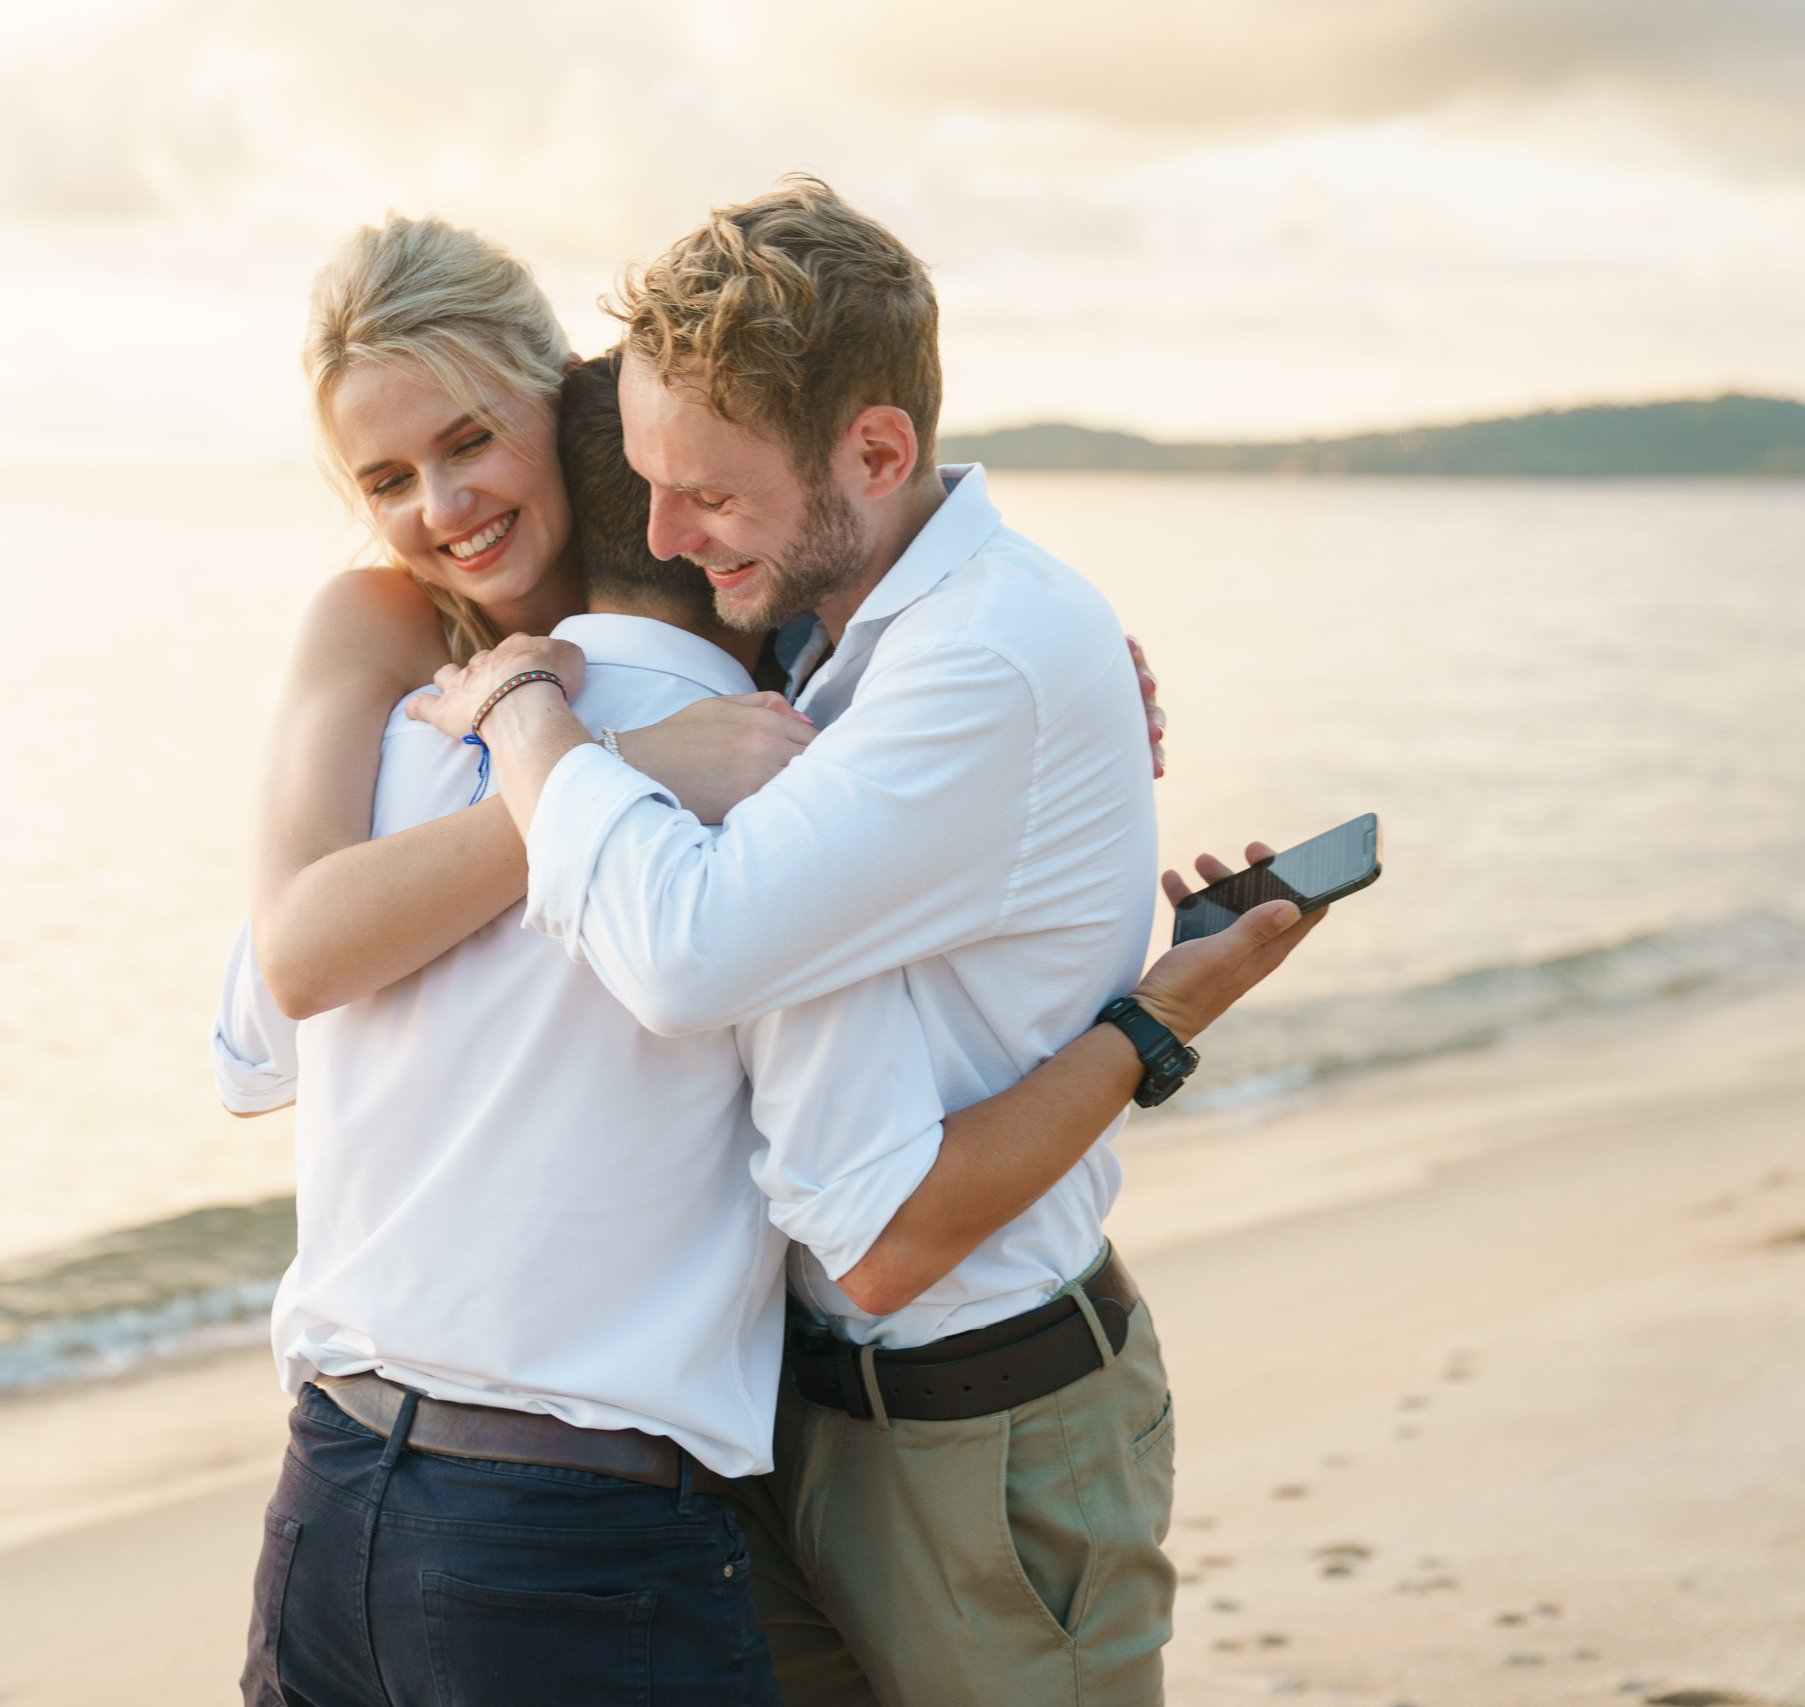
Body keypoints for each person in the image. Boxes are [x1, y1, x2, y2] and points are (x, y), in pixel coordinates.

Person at [220, 351, 1315, 1704]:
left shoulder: (389, 759)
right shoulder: (776, 802)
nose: (448, 506)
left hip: (332, 1492)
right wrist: (1160, 1017)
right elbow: (884, 1232)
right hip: (571, 1540)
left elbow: (249, 1044)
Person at [245, 215, 1167, 1031]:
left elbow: (867, 524)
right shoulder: (379, 618)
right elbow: (294, 958)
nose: (445, 506)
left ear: (567, 396)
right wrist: (623, 761)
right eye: (389, 482)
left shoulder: (749, 587)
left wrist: (1067, 694)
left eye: (471, 439)